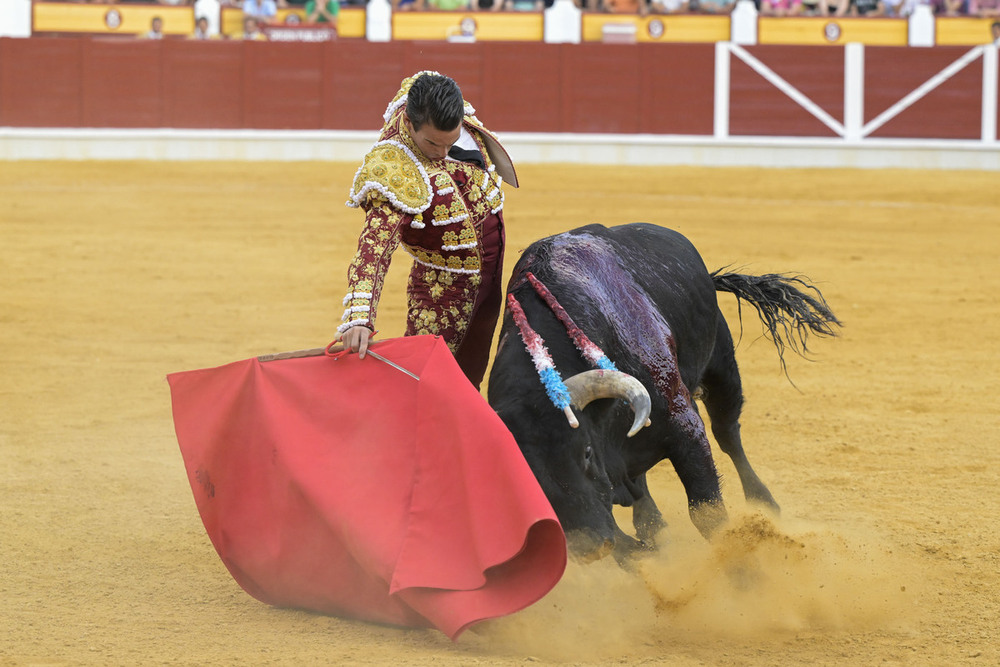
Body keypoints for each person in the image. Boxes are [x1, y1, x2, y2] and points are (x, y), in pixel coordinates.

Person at [336, 72, 518, 390]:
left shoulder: (430, 96)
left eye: (451, 141)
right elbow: (373, 249)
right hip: (443, 296)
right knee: (428, 384)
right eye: (432, 143)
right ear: (409, 122)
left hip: (489, 282)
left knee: (471, 377)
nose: (442, 152)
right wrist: (359, 316)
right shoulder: (394, 168)